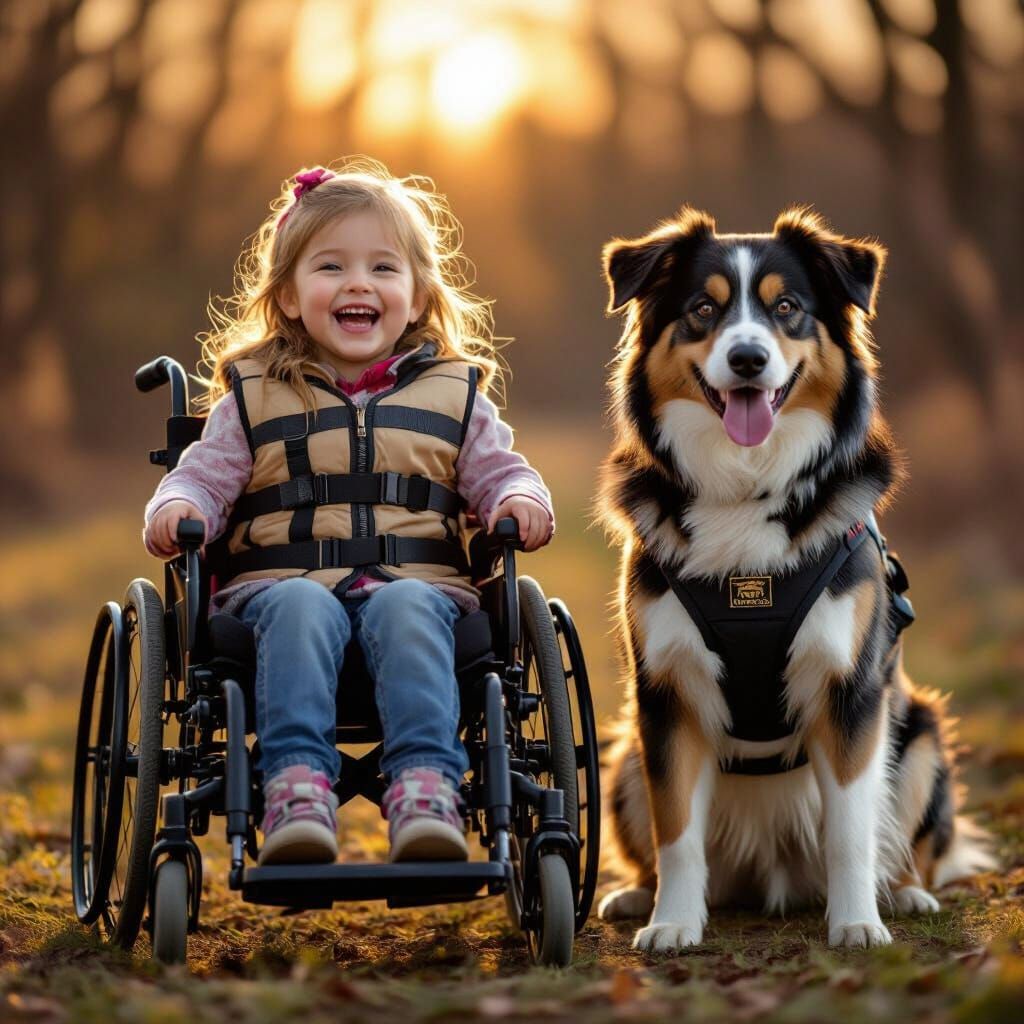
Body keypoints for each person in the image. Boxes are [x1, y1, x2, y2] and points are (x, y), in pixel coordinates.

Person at [143, 158, 553, 867]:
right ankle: (296, 789)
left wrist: (519, 501)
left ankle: (427, 787)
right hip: (278, 593)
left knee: (408, 608)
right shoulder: (255, 394)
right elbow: (204, 479)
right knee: (303, 604)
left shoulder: (455, 395)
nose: (359, 284)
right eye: (331, 267)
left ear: (419, 296)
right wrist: (179, 505)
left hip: (421, 593)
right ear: (291, 297)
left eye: (383, 269)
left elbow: (499, 473)